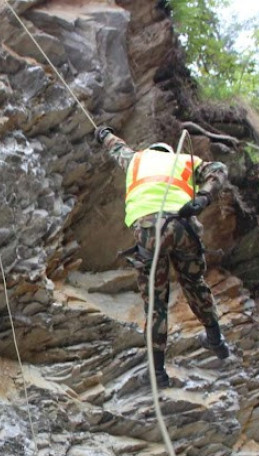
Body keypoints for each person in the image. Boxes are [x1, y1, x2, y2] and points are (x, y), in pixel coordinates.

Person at [94, 126, 231, 388]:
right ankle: (216, 340)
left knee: (156, 301)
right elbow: (219, 169)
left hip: (149, 230)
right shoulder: (185, 160)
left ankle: (157, 373)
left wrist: (103, 134)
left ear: (151, 151)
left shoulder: (137, 160)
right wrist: (203, 198)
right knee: (194, 283)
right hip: (183, 225)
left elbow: (116, 147)